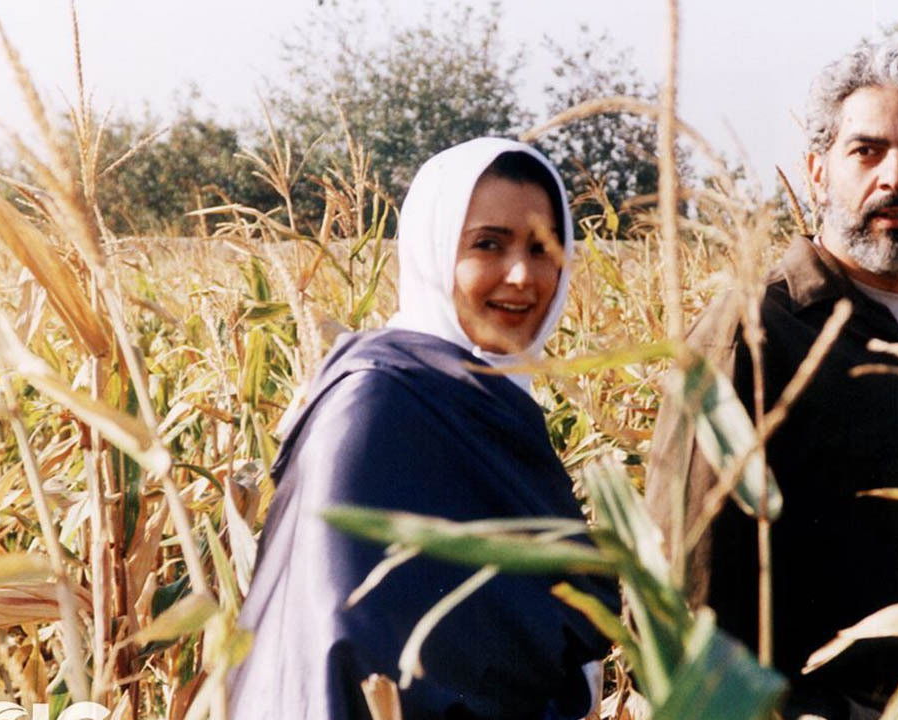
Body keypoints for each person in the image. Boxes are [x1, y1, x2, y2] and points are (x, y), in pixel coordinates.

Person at [646, 38, 898, 719]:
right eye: (866, 151)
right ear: (816, 171)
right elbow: (688, 590)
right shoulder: (751, 332)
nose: (896, 177)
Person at [228, 138, 617, 720]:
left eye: (542, 248)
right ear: (433, 252)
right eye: (488, 244)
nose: (522, 275)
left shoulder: (502, 400)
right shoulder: (377, 403)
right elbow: (351, 647)